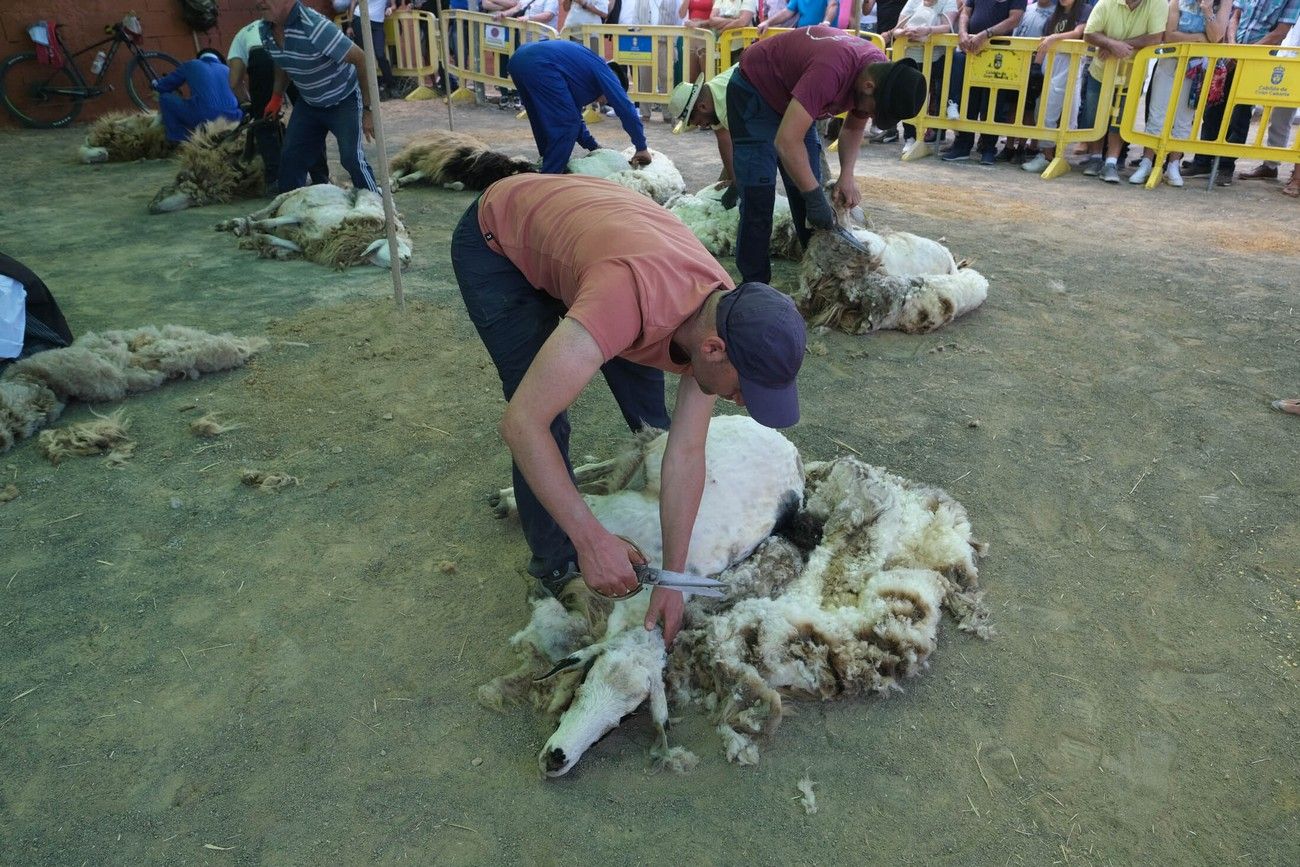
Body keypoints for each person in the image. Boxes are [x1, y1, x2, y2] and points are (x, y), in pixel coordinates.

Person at [451, 173, 807, 644]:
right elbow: (521, 424)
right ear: (715, 349)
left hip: (600, 250)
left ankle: (619, 500)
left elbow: (684, 453)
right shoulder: (626, 298)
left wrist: (675, 579)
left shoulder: (721, 310)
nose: (742, 402)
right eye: (746, 390)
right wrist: (591, 541)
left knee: (652, 420)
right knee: (543, 417)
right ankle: (556, 561)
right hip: (500, 241)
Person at [726, 25, 928, 283]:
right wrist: (813, 198)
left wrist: (847, 176)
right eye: (877, 111)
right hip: (755, 89)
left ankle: (818, 278)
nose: (874, 117)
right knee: (759, 193)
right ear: (868, 86)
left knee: (809, 186)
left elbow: (854, 128)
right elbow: (787, 142)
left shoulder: (878, 73)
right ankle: (754, 284)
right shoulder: (830, 73)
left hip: (796, 96)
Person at [256, 0, 379, 193]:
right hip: (309, 103)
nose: (259, 2)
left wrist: (368, 110)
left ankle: (377, 204)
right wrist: (276, 97)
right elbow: (282, 60)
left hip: (342, 99)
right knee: (290, 158)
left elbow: (361, 59)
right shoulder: (265, 30)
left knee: (351, 158)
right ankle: (288, 212)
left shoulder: (314, 26)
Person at [1184, 0, 1299, 184]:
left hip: (1258, 59)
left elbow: (1280, 32)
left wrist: (1246, 53)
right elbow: (1234, 16)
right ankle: (1203, 161)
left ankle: (1225, 167)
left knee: (1240, 113)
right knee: (1214, 106)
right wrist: (1232, 46)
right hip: (1232, 50)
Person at [507, 39, 653, 174]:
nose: (603, 103)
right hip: (539, 64)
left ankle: (547, 165)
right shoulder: (606, 73)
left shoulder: (580, 72)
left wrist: (593, 147)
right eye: (608, 100)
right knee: (565, 124)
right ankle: (550, 178)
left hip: (520, 59)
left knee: (541, 117)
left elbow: (574, 115)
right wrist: (641, 147)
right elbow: (625, 107)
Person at [1126, 0, 1231, 186]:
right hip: (1169, 61)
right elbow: (1169, 35)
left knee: (1184, 118)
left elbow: (1216, 37)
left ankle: (1174, 164)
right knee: (1157, 113)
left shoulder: (1224, 2)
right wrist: (1199, 38)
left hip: (1198, 68)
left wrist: (1207, 9)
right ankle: (1147, 162)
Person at [227, 18, 330, 190]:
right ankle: (320, 178)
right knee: (312, 120)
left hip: (261, 57)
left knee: (265, 124)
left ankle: (275, 181)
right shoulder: (287, 24)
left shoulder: (243, 34)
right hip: (293, 53)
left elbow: (235, 81)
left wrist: (248, 105)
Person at [1079, 0, 1166, 183]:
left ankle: (1111, 162)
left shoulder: (1158, 3)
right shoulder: (1106, 2)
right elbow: (1089, 33)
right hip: (1101, 70)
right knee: (1095, 115)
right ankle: (1095, 159)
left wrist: (1115, 45)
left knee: (1120, 119)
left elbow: (1155, 38)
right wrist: (1111, 44)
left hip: (1132, 75)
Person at [938, 0, 1027, 165]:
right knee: (968, 100)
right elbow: (966, 12)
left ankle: (988, 149)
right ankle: (963, 145)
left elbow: (1014, 19)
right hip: (971, 51)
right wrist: (962, 32)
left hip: (999, 53)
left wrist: (985, 34)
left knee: (993, 104)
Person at [1021, 0, 1093, 174]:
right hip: (1050, 63)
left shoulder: (1084, 10)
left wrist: (1054, 37)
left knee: (1068, 110)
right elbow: (1042, 45)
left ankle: (1055, 155)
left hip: (1070, 63)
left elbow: (1078, 33)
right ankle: (1046, 155)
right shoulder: (1054, 14)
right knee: (1044, 107)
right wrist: (1036, 69)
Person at [885, 0, 958, 149]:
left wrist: (928, 30)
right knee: (908, 96)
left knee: (937, 95)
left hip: (938, 58)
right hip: (910, 56)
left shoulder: (949, 2)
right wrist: (904, 32)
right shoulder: (913, 1)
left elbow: (947, 27)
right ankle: (910, 137)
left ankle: (935, 132)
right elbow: (897, 30)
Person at [668, 63, 739, 193]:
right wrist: (732, 179)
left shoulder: (730, 101)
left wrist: (737, 183)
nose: (701, 126)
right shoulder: (711, 96)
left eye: (698, 121)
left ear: (702, 107)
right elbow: (724, 140)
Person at [151, 49, 244, 144]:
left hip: (204, 116)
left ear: (200, 58)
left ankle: (179, 139)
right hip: (234, 117)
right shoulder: (227, 69)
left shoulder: (191, 64)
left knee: (165, 98)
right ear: (219, 60)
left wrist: (156, 84)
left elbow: (163, 86)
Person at [335, 1, 398, 99]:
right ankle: (367, 90)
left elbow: (394, 5)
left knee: (380, 54)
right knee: (363, 55)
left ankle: (391, 85)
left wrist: (390, 9)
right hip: (360, 19)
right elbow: (353, 3)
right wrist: (350, 25)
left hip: (378, 23)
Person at [757, 0, 832, 31]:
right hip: (803, 37)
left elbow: (833, 5)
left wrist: (826, 22)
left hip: (824, 36)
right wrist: (768, 22)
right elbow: (788, 11)